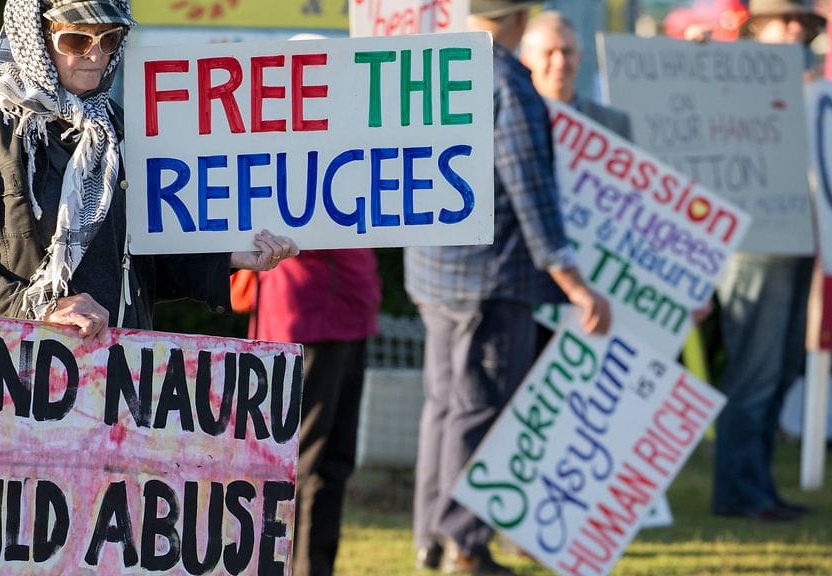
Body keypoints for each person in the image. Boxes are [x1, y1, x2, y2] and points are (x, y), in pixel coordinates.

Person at [0, 0, 297, 336]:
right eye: (76, 39)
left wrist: (227, 256)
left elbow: (136, 260)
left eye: (109, 39)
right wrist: (35, 309)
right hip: (19, 379)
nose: (96, 55)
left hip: (116, 376)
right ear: (36, 38)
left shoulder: (121, 127)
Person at [404, 1, 612, 574]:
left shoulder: (440, 64)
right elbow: (531, 191)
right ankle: (465, 547)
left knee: (446, 409)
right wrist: (574, 283)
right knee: (479, 412)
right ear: (519, 19)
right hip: (491, 276)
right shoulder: (508, 83)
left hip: (434, 271)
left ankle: (433, 538)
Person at [710, 0, 823, 523]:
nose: (797, 30)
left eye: (803, 22)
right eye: (788, 21)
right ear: (761, 28)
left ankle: (758, 485)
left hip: (801, 239)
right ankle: (740, 490)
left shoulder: (813, 87)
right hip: (753, 244)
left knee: (781, 372)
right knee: (755, 373)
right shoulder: (736, 83)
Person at [248, 249, 381, 576]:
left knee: (332, 459)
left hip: (344, 309)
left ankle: (313, 566)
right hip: (312, 313)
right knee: (310, 462)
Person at [519, 10, 631, 139]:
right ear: (525, 61)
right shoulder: (511, 123)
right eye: (548, 52)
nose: (560, 62)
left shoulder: (613, 124)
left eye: (567, 51)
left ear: (579, 56)